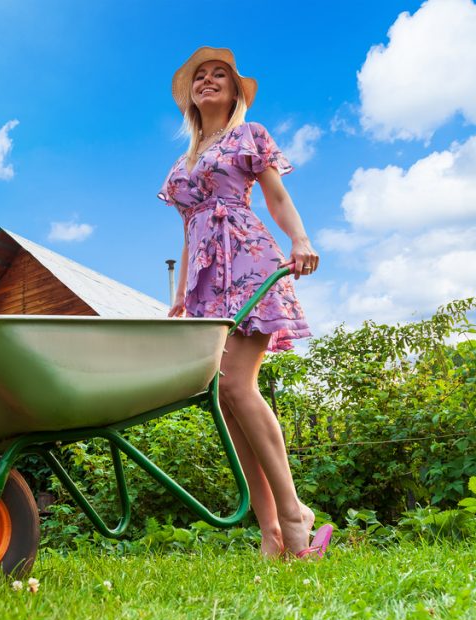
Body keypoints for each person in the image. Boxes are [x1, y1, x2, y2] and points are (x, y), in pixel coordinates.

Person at [158, 47, 330, 559]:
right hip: (206, 284)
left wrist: (300, 239)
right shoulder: (182, 163)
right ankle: (272, 531)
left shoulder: (249, 136)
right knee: (225, 399)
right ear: (191, 96)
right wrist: (181, 297)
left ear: (234, 92)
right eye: (200, 77)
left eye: (220, 76)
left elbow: (276, 196)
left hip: (248, 260)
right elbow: (190, 232)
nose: (208, 81)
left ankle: (295, 513)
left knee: (237, 383)